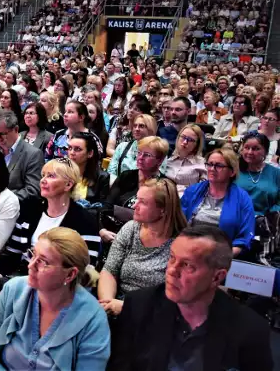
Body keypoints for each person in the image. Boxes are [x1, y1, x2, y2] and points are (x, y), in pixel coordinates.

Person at [108, 225, 273, 371]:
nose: (172, 270)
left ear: (217, 277)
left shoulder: (250, 331)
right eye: (172, 258)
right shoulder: (139, 305)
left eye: (187, 265)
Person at [0, 228, 110, 370]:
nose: (30, 265)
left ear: (70, 275)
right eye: (32, 255)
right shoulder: (13, 290)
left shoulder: (93, 320)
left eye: (43, 262)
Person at [0, 158, 99, 278]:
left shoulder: (86, 222)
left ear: (68, 184)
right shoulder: (30, 210)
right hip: (21, 276)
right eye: (43, 175)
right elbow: (12, 253)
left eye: (51, 176)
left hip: (59, 285)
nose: (43, 180)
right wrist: (0, 274)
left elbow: (86, 270)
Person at [99, 178, 187, 316]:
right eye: (137, 199)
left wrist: (126, 308)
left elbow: (177, 297)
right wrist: (108, 303)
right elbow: (110, 271)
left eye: (143, 202)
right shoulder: (131, 228)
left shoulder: (182, 244)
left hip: (154, 315)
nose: (134, 206)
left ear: (162, 210)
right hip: (116, 304)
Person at [181, 148, 255, 256]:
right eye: (210, 164)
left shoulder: (243, 199)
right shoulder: (192, 191)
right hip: (188, 249)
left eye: (219, 166)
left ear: (232, 172)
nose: (212, 169)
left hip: (221, 255)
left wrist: (223, 256)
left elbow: (244, 238)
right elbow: (178, 224)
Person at [0, 110, 43, 204]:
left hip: (18, 210)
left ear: (16, 129)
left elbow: (33, 190)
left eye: (3, 134)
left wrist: (2, 201)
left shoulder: (33, 154)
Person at [107, 136, 169, 209]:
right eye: (139, 152)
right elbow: (108, 203)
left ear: (160, 160)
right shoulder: (126, 176)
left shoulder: (164, 186)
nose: (140, 158)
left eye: (147, 155)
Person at [235, 131, 280, 215]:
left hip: (267, 221)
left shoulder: (276, 173)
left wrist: (271, 216)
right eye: (247, 148)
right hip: (237, 218)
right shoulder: (234, 170)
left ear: (266, 152)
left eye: (256, 149)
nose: (250, 152)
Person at [108, 114, 162, 184]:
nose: (136, 129)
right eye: (135, 126)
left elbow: (157, 178)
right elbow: (111, 171)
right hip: (118, 187)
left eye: (141, 126)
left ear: (151, 129)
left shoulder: (158, 151)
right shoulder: (122, 147)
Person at [68, 132, 110, 204]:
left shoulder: (102, 178)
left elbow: (101, 208)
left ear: (90, 153)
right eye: (70, 148)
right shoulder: (61, 172)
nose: (71, 152)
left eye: (77, 149)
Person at [165, 124, 207, 196]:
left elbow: (202, 191)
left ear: (197, 145)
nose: (184, 142)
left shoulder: (202, 164)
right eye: (183, 137)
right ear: (178, 138)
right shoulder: (168, 159)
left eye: (190, 140)